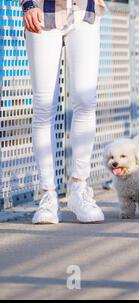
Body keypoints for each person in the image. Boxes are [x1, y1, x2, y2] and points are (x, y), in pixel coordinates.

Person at [22, 0, 107, 224]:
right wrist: (28, 4)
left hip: (85, 10)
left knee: (86, 100)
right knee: (43, 105)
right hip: (42, 9)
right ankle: (48, 195)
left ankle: (79, 189)